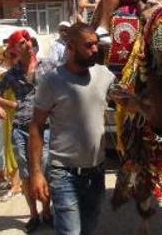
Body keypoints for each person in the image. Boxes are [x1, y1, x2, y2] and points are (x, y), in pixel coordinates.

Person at [29, 23, 116, 235]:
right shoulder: (51, 81)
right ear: (70, 47)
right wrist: (36, 174)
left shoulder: (103, 74)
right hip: (64, 174)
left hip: (96, 174)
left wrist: (143, 105)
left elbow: (124, 99)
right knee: (70, 232)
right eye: (88, 46)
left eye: (96, 44)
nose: (96, 49)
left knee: (88, 230)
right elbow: (36, 127)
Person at [0, 30, 51, 233]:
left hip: (45, 128)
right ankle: (34, 215)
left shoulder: (47, 66)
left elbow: (63, 86)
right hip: (21, 129)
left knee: (44, 171)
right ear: (15, 49)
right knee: (25, 174)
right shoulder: (11, 74)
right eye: (21, 43)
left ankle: (47, 212)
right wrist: (12, 105)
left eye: (27, 41)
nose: (27, 44)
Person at [0, 45, 23, 201]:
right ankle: (9, 180)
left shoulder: (9, 70)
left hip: (10, 114)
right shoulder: (1, 72)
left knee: (10, 147)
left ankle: (14, 181)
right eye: (14, 54)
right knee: (7, 147)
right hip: (5, 116)